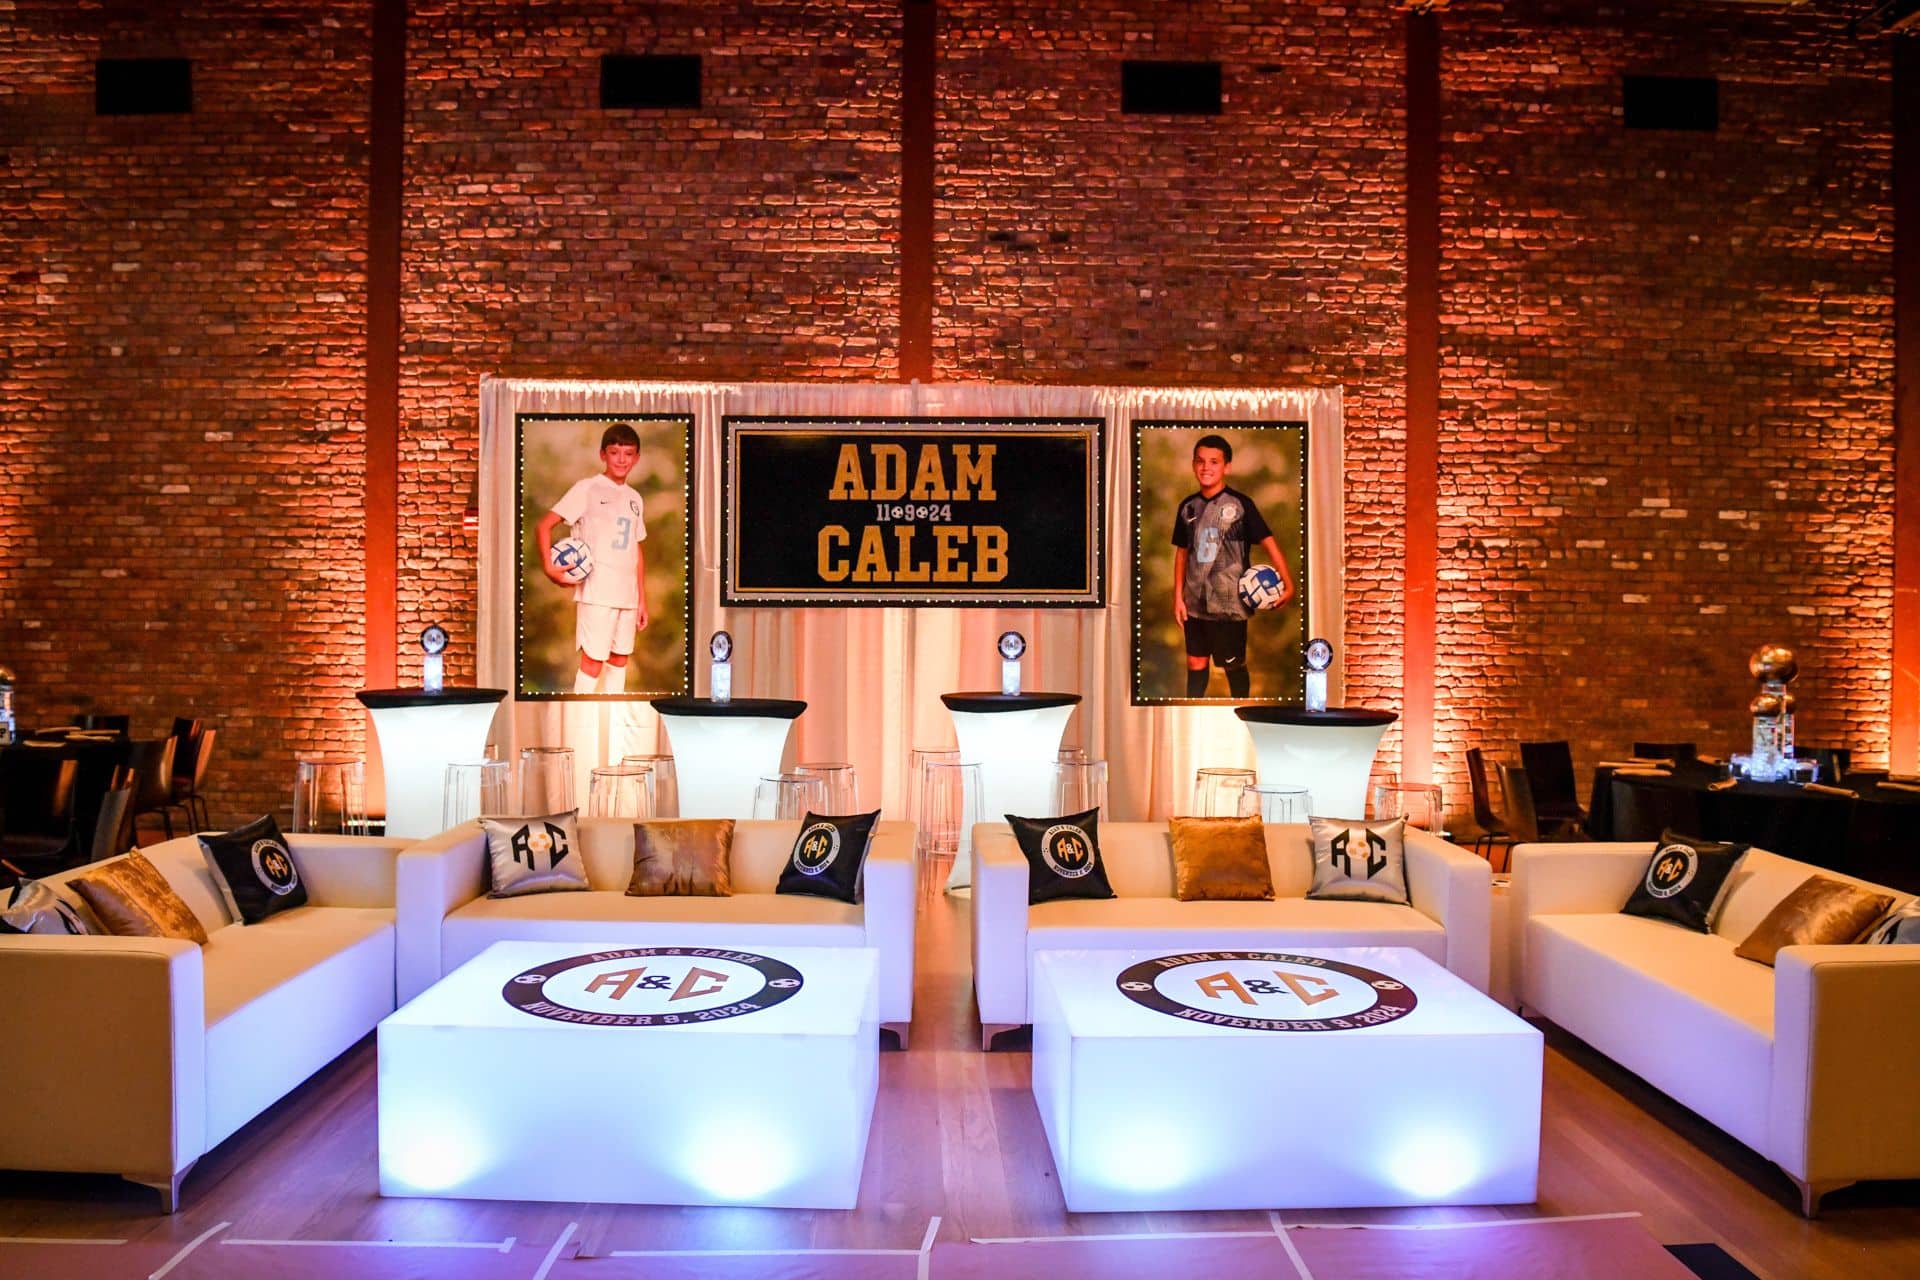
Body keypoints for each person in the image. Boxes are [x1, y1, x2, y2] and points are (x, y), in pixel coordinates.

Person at [1170, 433, 1294, 698]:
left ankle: (1242, 714)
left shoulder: (1240, 505)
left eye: (1214, 462)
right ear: (1194, 464)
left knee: (1232, 665)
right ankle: (1194, 715)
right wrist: (1178, 597)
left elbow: (1269, 542)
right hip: (1194, 602)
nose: (1206, 467)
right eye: (1201, 461)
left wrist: (1288, 583)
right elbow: (1182, 553)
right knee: (1196, 662)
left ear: (1226, 467)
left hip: (1230, 605)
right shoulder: (1187, 507)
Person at [536, 423, 649, 694]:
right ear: (603, 455)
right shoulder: (587, 489)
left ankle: (612, 730)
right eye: (614, 453)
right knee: (593, 663)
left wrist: (642, 599)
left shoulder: (635, 498)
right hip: (597, 592)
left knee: (620, 661)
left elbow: (636, 549)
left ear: (636, 458)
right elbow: (543, 526)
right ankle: (580, 729)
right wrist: (550, 569)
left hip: (627, 596)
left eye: (628, 453)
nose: (621, 460)